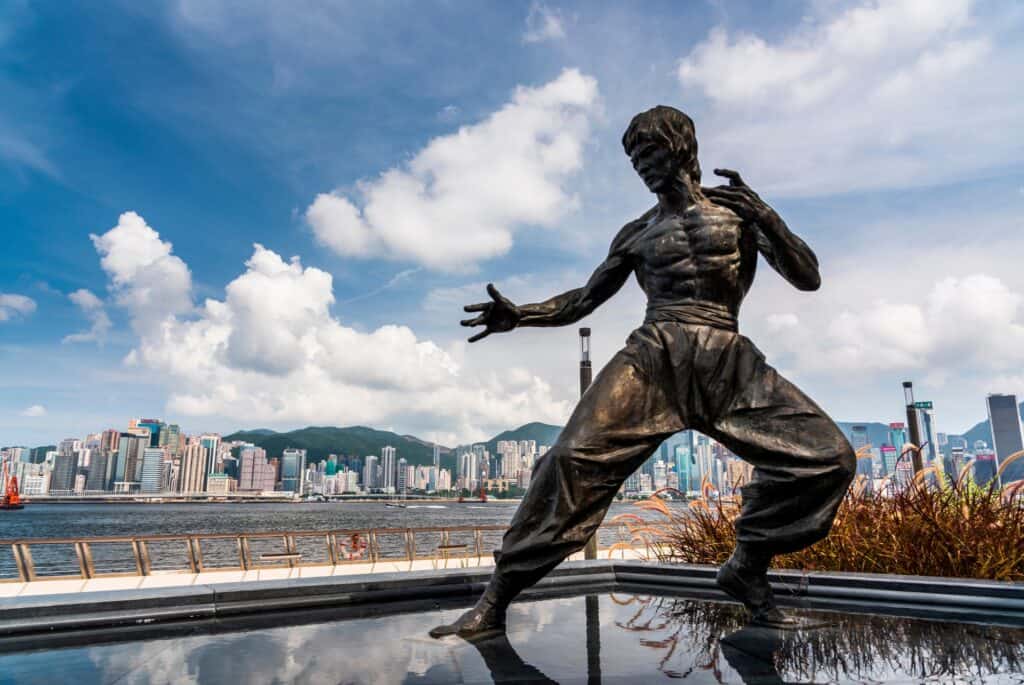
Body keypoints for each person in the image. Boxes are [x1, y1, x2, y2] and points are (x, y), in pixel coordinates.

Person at [431, 106, 854, 638]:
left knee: (829, 459)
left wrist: (768, 216)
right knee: (568, 460)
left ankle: (746, 566)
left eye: (650, 154)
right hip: (654, 357)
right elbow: (583, 300)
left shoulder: (741, 216)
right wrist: (522, 315)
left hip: (726, 357)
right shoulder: (637, 234)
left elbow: (807, 277)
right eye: (635, 160)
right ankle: (496, 601)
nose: (644, 168)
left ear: (681, 146)